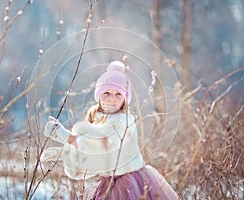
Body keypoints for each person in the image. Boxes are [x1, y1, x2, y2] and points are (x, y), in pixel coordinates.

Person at [42, 61, 179, 199]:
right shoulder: (100, 120)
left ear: (125, 99)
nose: (112, 98)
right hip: (109, 182)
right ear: (99, 96)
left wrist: (62, 136)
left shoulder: (124, 121)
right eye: (106, 92)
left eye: (118, 94)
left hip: (128, 184)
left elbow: (102, 151)